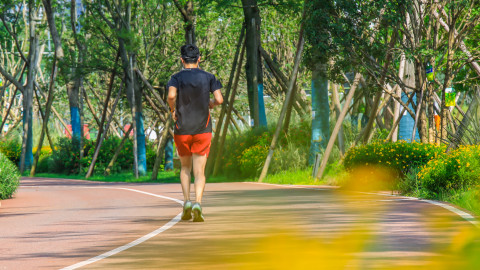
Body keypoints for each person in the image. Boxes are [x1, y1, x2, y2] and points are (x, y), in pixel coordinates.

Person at [167, 44, 223, 222]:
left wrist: (172, 110)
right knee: (200, 171)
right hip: (202, 129)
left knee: (185, 167)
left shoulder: (175, 78)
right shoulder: (209, 77)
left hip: (182, 129)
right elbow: (219, 99)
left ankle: (187, 202)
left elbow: (171, 96)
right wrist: (212, 104)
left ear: (182, 60)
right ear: (199, 59)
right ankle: (198, 202)